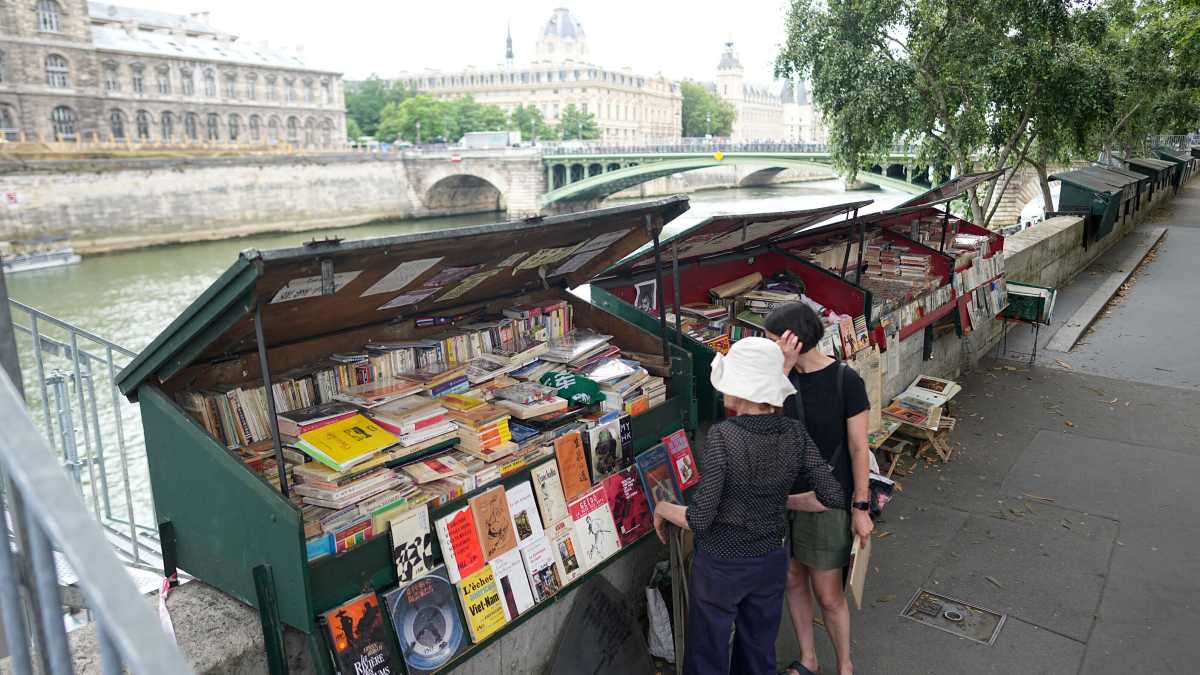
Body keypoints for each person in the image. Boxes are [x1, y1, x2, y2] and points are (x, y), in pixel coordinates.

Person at [654, 337, 845, 675]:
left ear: (741, 391)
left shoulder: (724, 436)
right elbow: (832, 495)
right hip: (771, 558)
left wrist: (663, 509)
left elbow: (700, 518)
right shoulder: (795, 433)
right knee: (758, 651)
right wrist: (780, 498)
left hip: (721, 564)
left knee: (707, 654)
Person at [764, 303, 874, 675]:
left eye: (772, 338)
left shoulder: (846, 380)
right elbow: (763, 425)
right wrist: (780, 370)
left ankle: (844, 664)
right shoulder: (781, 378)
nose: (769, 345)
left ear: (792, 338)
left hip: (827, 500)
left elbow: (860, 447)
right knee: (792, 579)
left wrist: (860, 507)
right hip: (785, 496)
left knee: (829, 595)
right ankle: (808, 659)